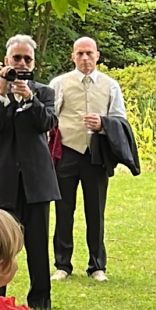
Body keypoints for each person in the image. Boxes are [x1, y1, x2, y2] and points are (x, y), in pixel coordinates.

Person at [0, 35, 59, 310]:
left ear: (34, 63)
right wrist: (4, 94)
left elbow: (48, 123)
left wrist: (30, 100)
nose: (22, 63)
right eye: (17, 58)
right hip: (4, 180)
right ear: (6, 61)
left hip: (36, 179)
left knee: (37, 244)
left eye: (27, 59)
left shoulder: (45, 92)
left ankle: (40, 299)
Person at [50, 38, 128, 283]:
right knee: (64, 210)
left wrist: (103, 124)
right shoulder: (59, 83)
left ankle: (97, 266)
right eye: (80, 53)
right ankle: (62, 265)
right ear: (73, 56)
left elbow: (120, 119)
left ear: (98, 55)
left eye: (89, 53)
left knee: (96, 211)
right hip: (67, 152)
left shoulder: (110, 85)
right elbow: (49, 117)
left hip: (96, 154)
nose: (85, 58)